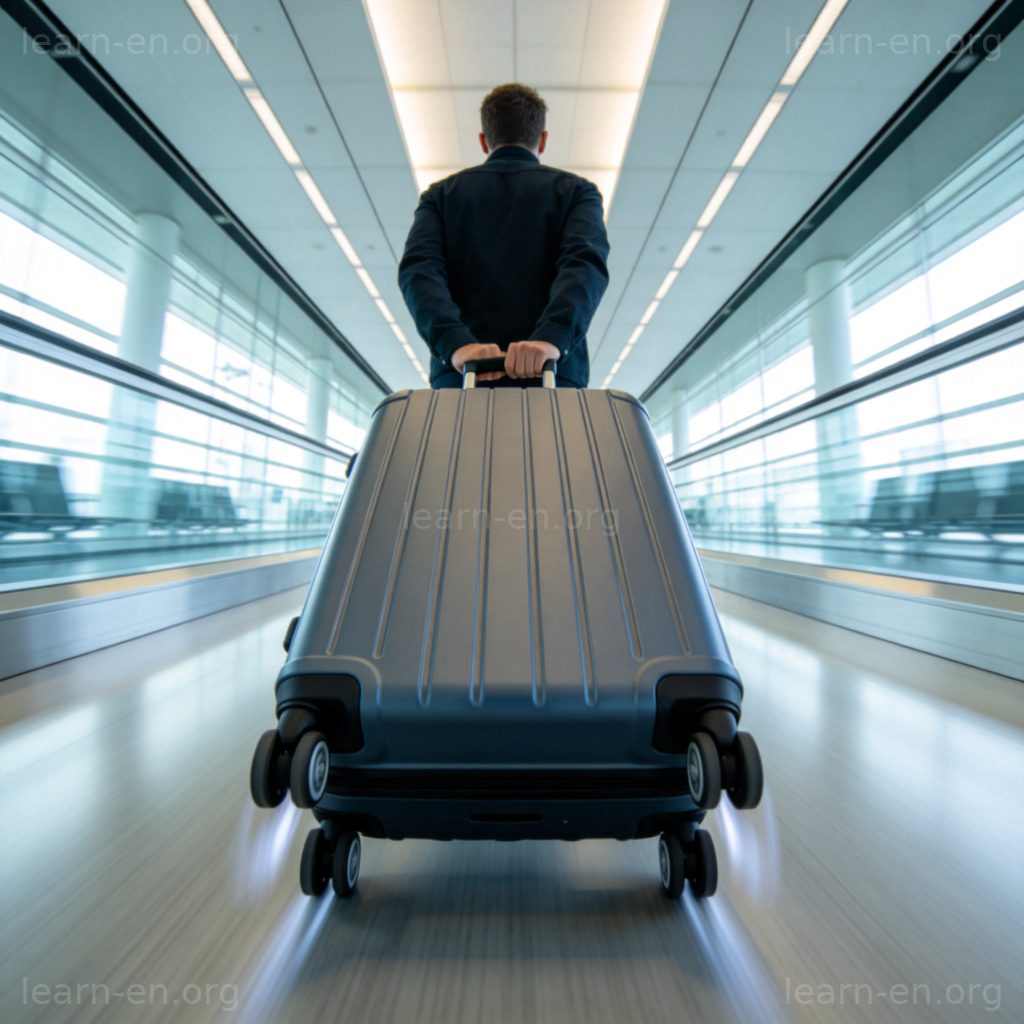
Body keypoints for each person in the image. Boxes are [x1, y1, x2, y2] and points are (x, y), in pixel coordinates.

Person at [398, 83, 610, 389]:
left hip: (462, 375)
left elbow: (419, 271)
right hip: (551, 373)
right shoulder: (577, 193)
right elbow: (584, 266)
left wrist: (456, 344)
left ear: (484, 141)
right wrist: (552, 338)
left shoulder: (440, 197)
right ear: (543, 140)